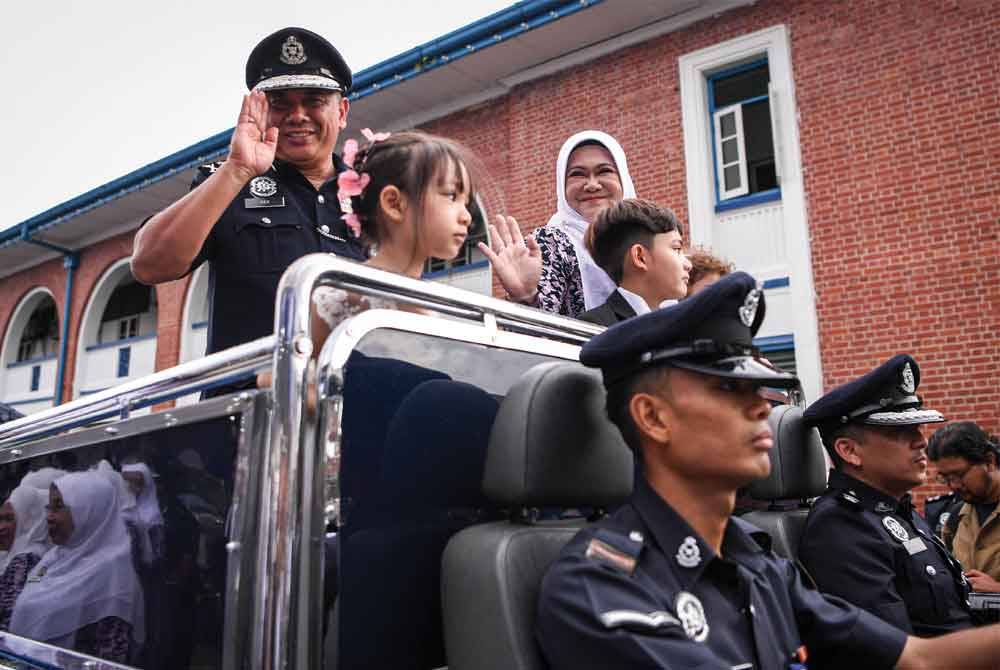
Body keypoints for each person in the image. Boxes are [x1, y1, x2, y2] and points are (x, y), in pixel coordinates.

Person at [536, 272, 1000, 669]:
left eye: (761, 389)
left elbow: (918, 658)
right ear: (654, 418)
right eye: (729, 389)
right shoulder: (601, 586)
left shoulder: (756, 563)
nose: (762, 407)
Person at [131, 28, 365, 378]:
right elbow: (149, 265)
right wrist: (237, 169)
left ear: (342, 111)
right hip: (248, 418)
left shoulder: (372, 196)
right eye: (280, 103)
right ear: (259, 110)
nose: (297, 115)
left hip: (355, 411)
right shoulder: (229, 184)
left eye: (314, 100)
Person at [797, 355, 973, 637]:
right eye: (901, 431)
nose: (922, 440)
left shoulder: (896, 509)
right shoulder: (842, 526)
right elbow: (894, 654)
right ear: (850, 451)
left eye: (918, 428)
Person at [307, 130, 474, 346]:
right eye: (452, 196)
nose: (467, 217)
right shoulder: (337, 298)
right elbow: (282, 376)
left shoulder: (447, 305)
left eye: (466, 202)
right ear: (394, 203)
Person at [481, 130, 636, 318]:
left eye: (604, 171)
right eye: (578, 174)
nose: (592, 185)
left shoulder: (645, 242)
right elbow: (538, 331)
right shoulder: (553, 242)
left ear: (623, 179)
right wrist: (525, 297)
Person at [10, 471, 144, 664]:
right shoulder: (52, 558)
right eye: (49, 507)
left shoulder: (113, 574)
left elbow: (109, 658)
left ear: (89, 510)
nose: (49, 517)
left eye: (59, 507)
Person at [578, 199, 691, 326]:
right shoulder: (595, 327)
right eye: (676, 249)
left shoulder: (676, 323)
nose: (688, 265)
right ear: (640, 256)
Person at [928, 421, 1000, 592]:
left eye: (959, 475)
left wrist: (997, 589)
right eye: (945, 477)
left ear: (989, 461)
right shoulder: (954, 519)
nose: (953, 485)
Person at [0, 484, 50, 630]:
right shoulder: (38, 554)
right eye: (0, 519)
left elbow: (9, 615)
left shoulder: (25, 559)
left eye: (9, 519)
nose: (1, 527)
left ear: (29, 522)